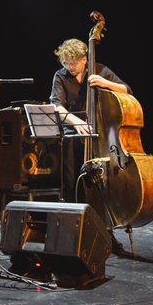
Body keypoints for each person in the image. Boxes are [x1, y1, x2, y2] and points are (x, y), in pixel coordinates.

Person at [49, 38, 131, 203]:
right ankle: (73, 206)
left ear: (84, 59)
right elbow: (57, 106)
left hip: (99, 131)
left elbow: (127, 90)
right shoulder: (60, 75)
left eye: (73, 63)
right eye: (66, 63)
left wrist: (105, 82)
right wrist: (76, 122)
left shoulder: (99, 70)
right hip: (72, 130)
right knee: (71, 175)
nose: (70, 67)